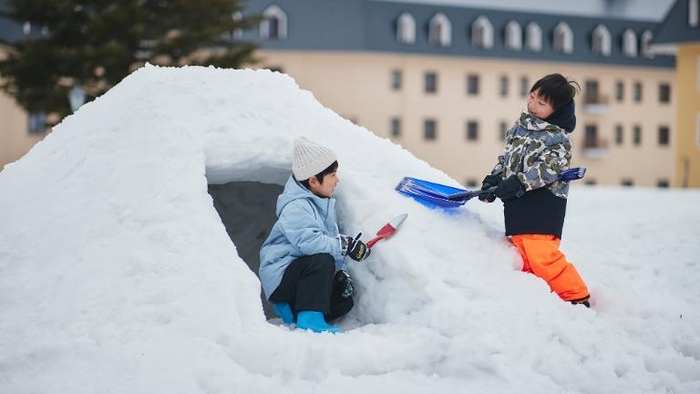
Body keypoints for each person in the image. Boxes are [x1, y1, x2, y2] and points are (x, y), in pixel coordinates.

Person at [479, 73, 590, 307]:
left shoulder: (557, 138)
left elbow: (549, 169)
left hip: (543, 204)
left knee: (542, 255)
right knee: (525, 253)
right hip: (518, 203)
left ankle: (576, 296)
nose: (532, 105)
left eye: (541, 103)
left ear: (557, 110)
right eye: (531, 97)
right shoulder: (518, 129)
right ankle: (540, 298)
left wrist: (518, 182)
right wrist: (495, 179)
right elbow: (506, 159)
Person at [259, 137, 370, 333]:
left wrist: (340, 273)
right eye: (332, 175)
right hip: (281, 275)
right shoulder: (296, 206)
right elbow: (310, 243)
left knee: (343, 302)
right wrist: (346, 245)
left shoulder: (322, 204)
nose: (337, 180)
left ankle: (296, 312)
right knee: (322, 260)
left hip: (301, 276)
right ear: (313, 181)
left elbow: (329, 241)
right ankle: (309, 319)